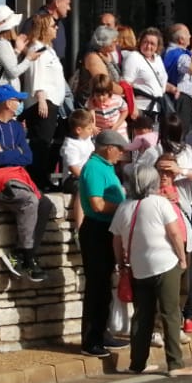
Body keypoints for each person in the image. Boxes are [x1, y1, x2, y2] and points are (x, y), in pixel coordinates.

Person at [113, 155, 192, 377]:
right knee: (170, 313)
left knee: (142, 315)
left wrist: (122, 264)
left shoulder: (124, 207)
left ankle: (137, 363)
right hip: (165, 263)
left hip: (139, 267)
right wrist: (182, 258)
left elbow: (116, 240)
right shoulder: (160, 203)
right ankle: (175, 364)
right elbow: (174, 233)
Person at [0, 85, 53, 282]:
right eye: (17, 100)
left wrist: (7, 152)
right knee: (29, 200)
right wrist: (15, 152)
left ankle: (23, 254)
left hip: (16, 175)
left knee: (46, 204)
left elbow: (29, 157)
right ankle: (27, 255)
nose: (20, 104)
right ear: (8, 103)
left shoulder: (17, 127)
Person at [77, 129, 129, 357]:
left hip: (106, 229)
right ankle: (90, 340)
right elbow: (97, 204)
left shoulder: (105, 167)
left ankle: (102, 332)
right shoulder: (95, 168)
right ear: (109, 148)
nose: (121, 154)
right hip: (97, 229)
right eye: (119, 149)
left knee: (104, 284)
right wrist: (124, 208)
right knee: (96, 286)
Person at [22, 12, 67, 184]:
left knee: (49, 142)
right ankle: (37, 180)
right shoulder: (37, 48)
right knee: (41, 142)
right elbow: (37, 75)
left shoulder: (49, 50)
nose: (56, 28)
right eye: (52, 26)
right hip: (43, 101)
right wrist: (40, 98)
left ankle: (44, 177)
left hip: (54, 101)